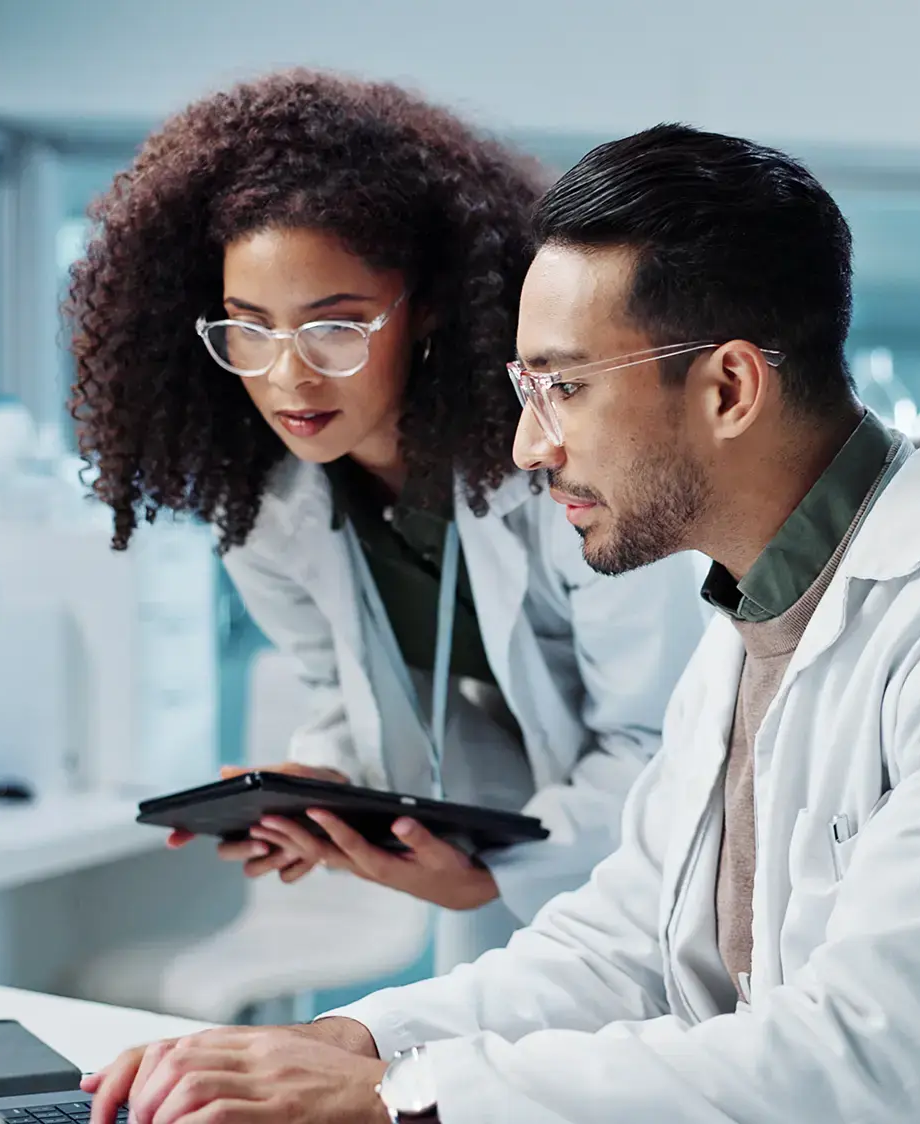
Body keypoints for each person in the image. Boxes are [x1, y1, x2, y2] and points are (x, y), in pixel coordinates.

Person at [82, 123, 920, 1124]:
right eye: (524, 390)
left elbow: (862, 1062)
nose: (530, 444)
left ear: (730, 388)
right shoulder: (752, 607)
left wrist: (405, 1100)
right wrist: (358, 1043)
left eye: (563, 388)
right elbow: (628, 937)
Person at [66, 72, 706, 961]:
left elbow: (659, 741)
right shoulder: (268, 510)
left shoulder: (566, 468)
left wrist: (498, 874)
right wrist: (327, 784)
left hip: (678, 870)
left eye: (336, 326)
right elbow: (345, 687)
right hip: (508, 866)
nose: (288, 377)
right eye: (248, 327)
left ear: (431, 304)